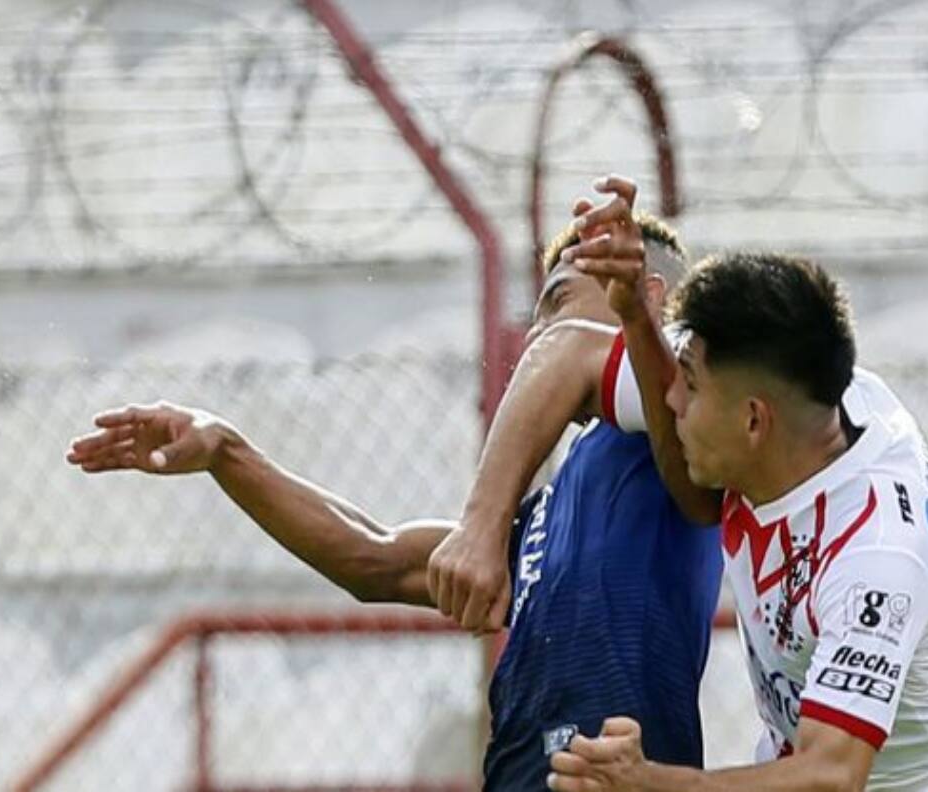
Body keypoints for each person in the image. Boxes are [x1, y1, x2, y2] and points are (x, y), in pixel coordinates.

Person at [65, 213, 722, 792]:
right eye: (542, 316)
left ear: (649, 298)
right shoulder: (563, 500)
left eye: (560, 299)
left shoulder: (679, 435)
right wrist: (227, 453)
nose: (537, 334)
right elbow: (374, 559)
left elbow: (571, 346)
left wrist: (478, 526)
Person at [546, 177, 928, 791]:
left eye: (689, 385)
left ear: (753, 420)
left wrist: (646, 783)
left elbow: (829, 778)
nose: (670, 398)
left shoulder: (877, 559)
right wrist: (632, 313)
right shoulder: (785, 397)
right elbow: (568, 360)